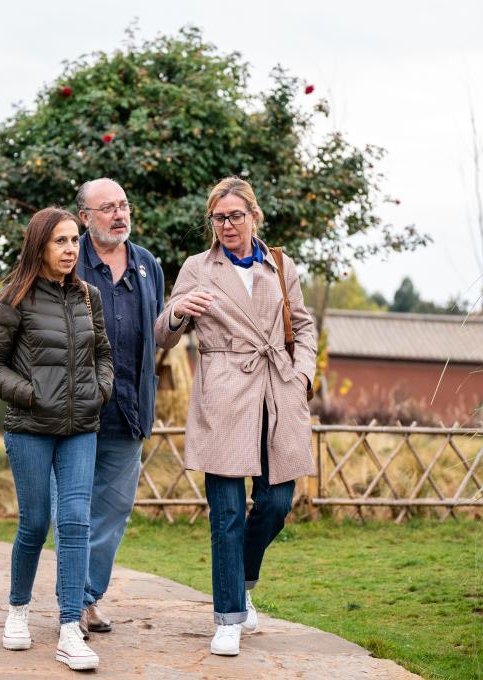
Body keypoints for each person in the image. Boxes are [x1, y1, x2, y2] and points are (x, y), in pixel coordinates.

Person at [154, 177, 317, 657]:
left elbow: (303, 326)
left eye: (235, 216)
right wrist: (180, 309)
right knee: (226, 513)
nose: (227, 224)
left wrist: (303, 376)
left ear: (254, 217)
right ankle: (227, 617)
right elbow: (163, 333)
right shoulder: (197, 268)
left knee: (276, 503)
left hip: (277, 391)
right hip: (224, 395)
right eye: (219, 217)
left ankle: (241, 582)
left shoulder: (280, 264)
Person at [0, 207, 113, 672]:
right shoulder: (13, 297)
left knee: (76, 522)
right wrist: (29, 395)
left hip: (80, 429)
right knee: (35, 524)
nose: (71, 249)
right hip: (31, 429)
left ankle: (71, 628)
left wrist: (101, 389)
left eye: (75, 240)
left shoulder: (89, 297)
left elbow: (103, 353)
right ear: (40, 245)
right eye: (60, 241)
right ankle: (17, 610)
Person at [51, 178, 164, 635]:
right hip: (75, 412)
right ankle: (72, 603)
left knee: (114, 511)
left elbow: (158, 335)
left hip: (130, 410)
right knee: (73, 512)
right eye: (107, 208)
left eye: (123, 206)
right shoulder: (67, 261)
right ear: (85, 218)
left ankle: (87, 597)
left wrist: (175, 319)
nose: (119, 215)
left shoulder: (147, 265)